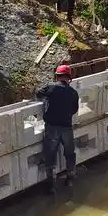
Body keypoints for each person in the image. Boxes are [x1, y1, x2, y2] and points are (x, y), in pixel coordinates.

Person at [35, 64, 80, 194]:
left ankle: (51, 186)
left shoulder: (51, 87)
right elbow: (74, 110)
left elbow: (38, 94)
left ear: (57, 76)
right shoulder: (73, 92)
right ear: (69, 77)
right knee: (70, 153)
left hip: (52, 127)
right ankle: (70, 179)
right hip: (66, 127)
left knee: (50, 155)